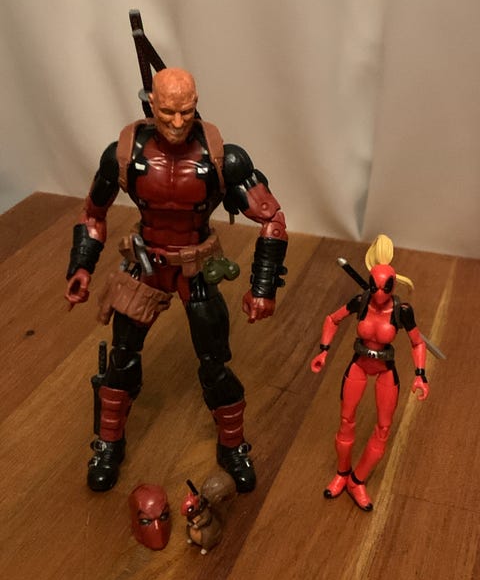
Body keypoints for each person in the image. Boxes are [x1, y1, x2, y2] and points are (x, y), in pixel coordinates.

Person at [65, 68, 288, 494]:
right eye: (168, 112)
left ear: (196, 103)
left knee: (214, 361)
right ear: (151, 104)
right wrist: (80, 267)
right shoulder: (124, 155)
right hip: (145, 266)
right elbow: (92, 214)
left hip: (195, 268)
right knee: (122, 356)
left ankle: (232, 445)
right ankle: (109, 443)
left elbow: (272, 220)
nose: (178, 122)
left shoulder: (223, 159)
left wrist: (263, 287)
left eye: (186, 111)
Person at [310, 235, 428, 511]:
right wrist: (324, 350)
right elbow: (332, 319)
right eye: (374, 285)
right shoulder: (361, 301)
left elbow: (417, 342)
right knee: (346, 420)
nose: (379, 292)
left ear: (393, 284)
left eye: (385, 286)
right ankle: (342, 473)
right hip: (359, 364)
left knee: (383, 428)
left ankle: (357, 480)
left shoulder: (402, 311)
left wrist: (420, 374)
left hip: (386, 369)